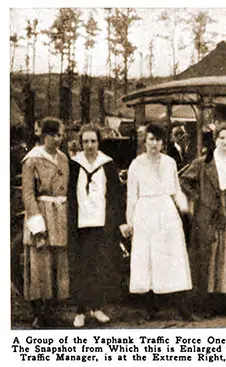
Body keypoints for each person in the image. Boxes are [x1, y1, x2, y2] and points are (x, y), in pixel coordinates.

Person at [180, 122, 226, 318]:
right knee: (207, 257)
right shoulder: (203, 163)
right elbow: (183, 180)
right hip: (208, 215)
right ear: (215, 139)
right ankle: (204, 303)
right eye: (221, 138)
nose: (225, 141)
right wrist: (199, 197)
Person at [126, 123, 193, 321]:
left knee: (173, 257)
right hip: (145, 212)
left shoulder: (170, 162)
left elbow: (176, 190)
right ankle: (150, 307)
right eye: (150, 139)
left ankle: (182, 307)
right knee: (147, 259)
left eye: (158, 140)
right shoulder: (136, 165)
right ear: (145, 141)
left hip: (166, 211)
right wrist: (129, 222)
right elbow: (131, 196)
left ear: (163, 143)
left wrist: (184, 207)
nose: (154, 144)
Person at [67, 124, 126, 328]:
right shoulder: (74, 165)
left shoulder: (107, 165)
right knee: (82, 267)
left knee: (101, 266)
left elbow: (116, 197)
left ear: (99, 143)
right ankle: (81, 310)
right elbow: (70, 196)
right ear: (80, 143)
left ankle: (98, 308)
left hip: (102, 223)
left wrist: (117, 222)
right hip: (81, 224)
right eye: (86, 141)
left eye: (93, 141)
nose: (89, 145)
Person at [21, 117, 70, 328]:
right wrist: (37, 225)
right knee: (40, 264)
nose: (60, 139)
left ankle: (52, 310)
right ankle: (39, 313)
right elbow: (28, 195)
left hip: (59, 214)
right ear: (47, 135)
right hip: (41, 213)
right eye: (57, 134)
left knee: (57, 263)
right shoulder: (32, 159)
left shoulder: (63, 158)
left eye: (61, 135)